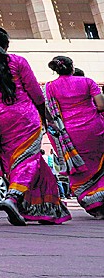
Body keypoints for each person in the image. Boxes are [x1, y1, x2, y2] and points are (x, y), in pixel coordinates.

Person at [0, 28, 70, 225]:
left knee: (25, 163)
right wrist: (46, 117)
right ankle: (13, 198)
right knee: (27, 160)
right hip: (25, 118)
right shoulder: (18, 62)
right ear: (6, 45)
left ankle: (44, 209)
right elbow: (36, 94)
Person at [43, 55, 104, 219]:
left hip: (70, 135)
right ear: (72, 67)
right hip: (95, 130)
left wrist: (55, 124)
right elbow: (101, 105)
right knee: (99, 163)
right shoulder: (87, 82)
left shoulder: (49, 87)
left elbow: (46, 111)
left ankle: (95, 207)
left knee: (79, 170)